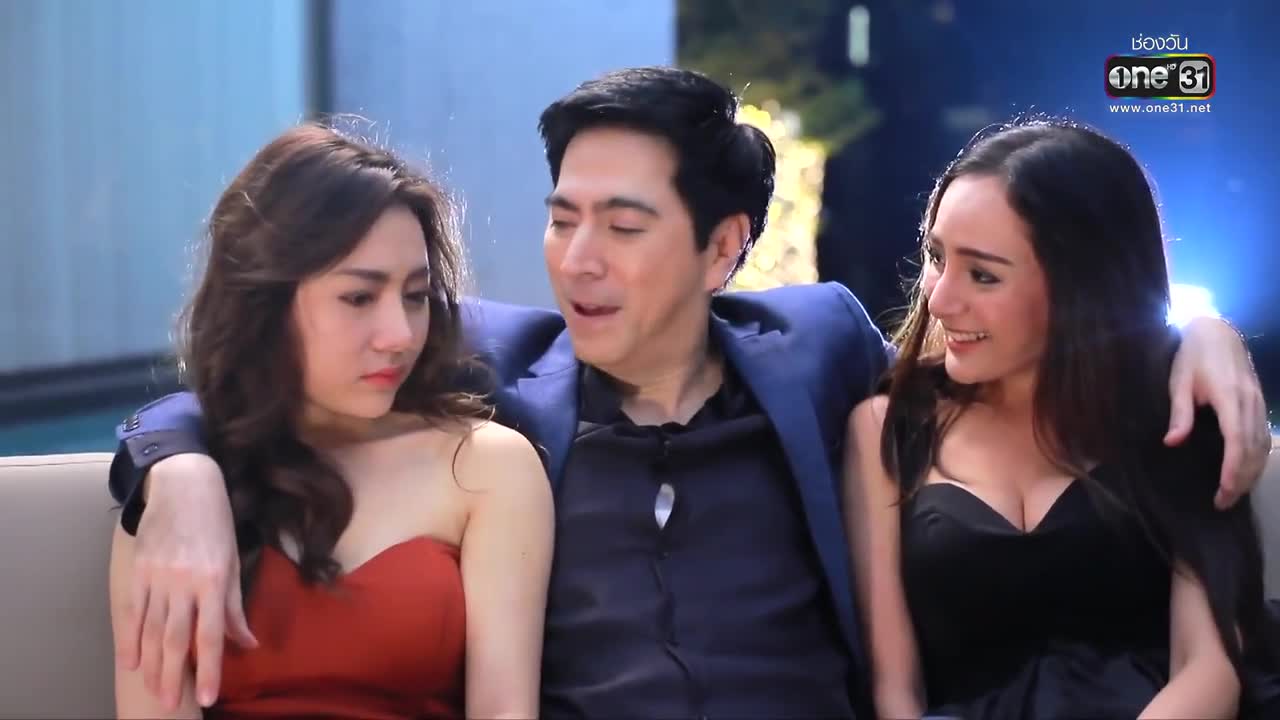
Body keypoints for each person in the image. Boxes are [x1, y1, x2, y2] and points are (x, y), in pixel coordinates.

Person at [107, 69, 1270, 718]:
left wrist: (1196, 336)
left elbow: (1014, 347)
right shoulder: (491, 366)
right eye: (562, 219)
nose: (577, 262)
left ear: (722, 250)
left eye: (623, 227)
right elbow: (277, 356)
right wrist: (178, 468)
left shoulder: (818, 348)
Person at [108, 124, 554, 719]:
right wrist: (182, 478)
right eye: (359, 298)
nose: (400, 335)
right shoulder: (172, 494)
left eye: (415, 296)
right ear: (265, 302)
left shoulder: (484, 464)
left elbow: (504, 710)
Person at [844, 119, 1280, 719]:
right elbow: (895, 691)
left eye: (983, 275)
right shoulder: (885, 428)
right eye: (936, 257)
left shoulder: (1176, 413)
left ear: (1082, 286)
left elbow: (1210, 666)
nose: (940, 300)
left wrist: (1211, 333)